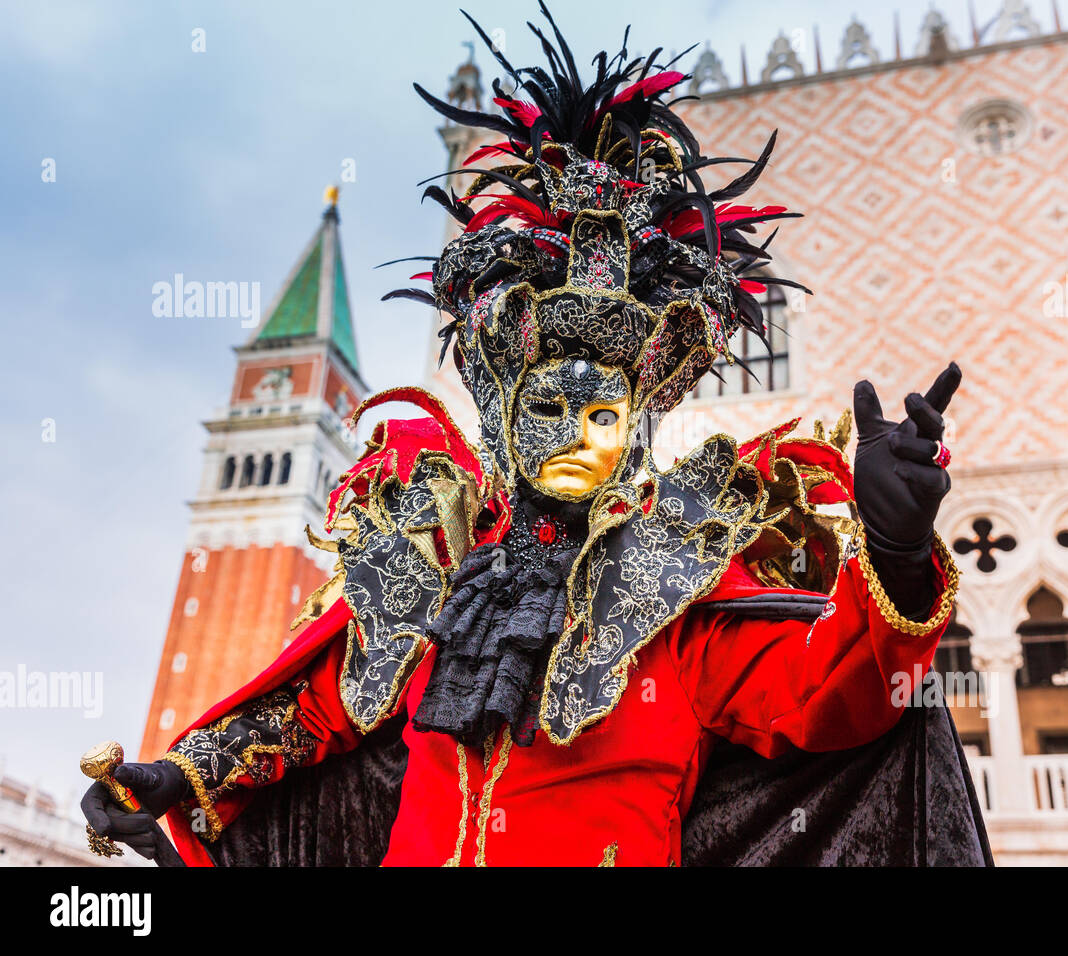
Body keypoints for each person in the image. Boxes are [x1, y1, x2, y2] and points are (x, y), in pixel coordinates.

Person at [82, 4, 989, 867]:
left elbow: (826, 697)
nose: (575, 440)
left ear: (635, 429)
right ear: (507, 416)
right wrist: (177, 774)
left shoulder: (674, 592)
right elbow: (314, 711)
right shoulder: (438, 564)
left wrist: (898, 552)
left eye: (602, 417)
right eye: (552, 411)